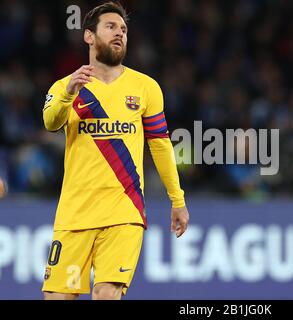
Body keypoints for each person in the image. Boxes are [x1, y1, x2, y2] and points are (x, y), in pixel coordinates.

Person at [41, 1, 189, 300]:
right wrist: (70, 93)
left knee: (107, 294)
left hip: (124, 212)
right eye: (110, 27)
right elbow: (50, 122)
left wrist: (177, 199)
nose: (119, 33)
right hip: (74, 215)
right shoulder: (65, 86)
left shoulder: (146, 87)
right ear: (89, 36)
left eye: (123, 29)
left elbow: (159, 144)